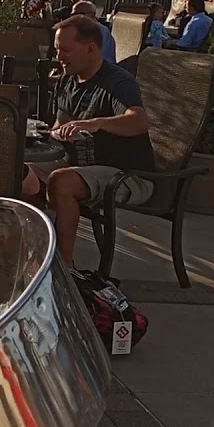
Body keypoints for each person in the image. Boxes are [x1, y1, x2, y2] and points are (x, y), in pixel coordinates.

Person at [22, 16, 155, 264]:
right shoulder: (66, 81)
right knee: (16, 175)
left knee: (60, 181)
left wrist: (97, 123)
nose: (59, 56)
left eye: (66, 50)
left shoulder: (118, 82)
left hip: (127, 173)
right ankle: (32, 253)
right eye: (57, 50)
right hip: (76, 164)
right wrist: (46, 133)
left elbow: (139, 121)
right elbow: (58, 127)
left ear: (91, 48)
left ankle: (63, 267)